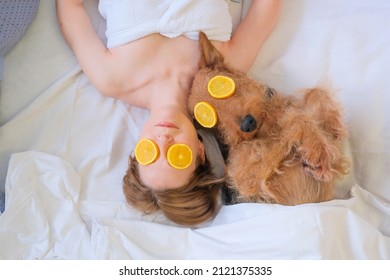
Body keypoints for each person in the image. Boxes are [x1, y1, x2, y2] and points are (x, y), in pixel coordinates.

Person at [56, 0, 281, 226]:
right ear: (200, 152)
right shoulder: (223, 81)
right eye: (178, 156)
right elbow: (266, 10)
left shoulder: (111, 79)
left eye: (149, 153)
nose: (163, 141)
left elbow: (70, 8)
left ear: (137, 149)